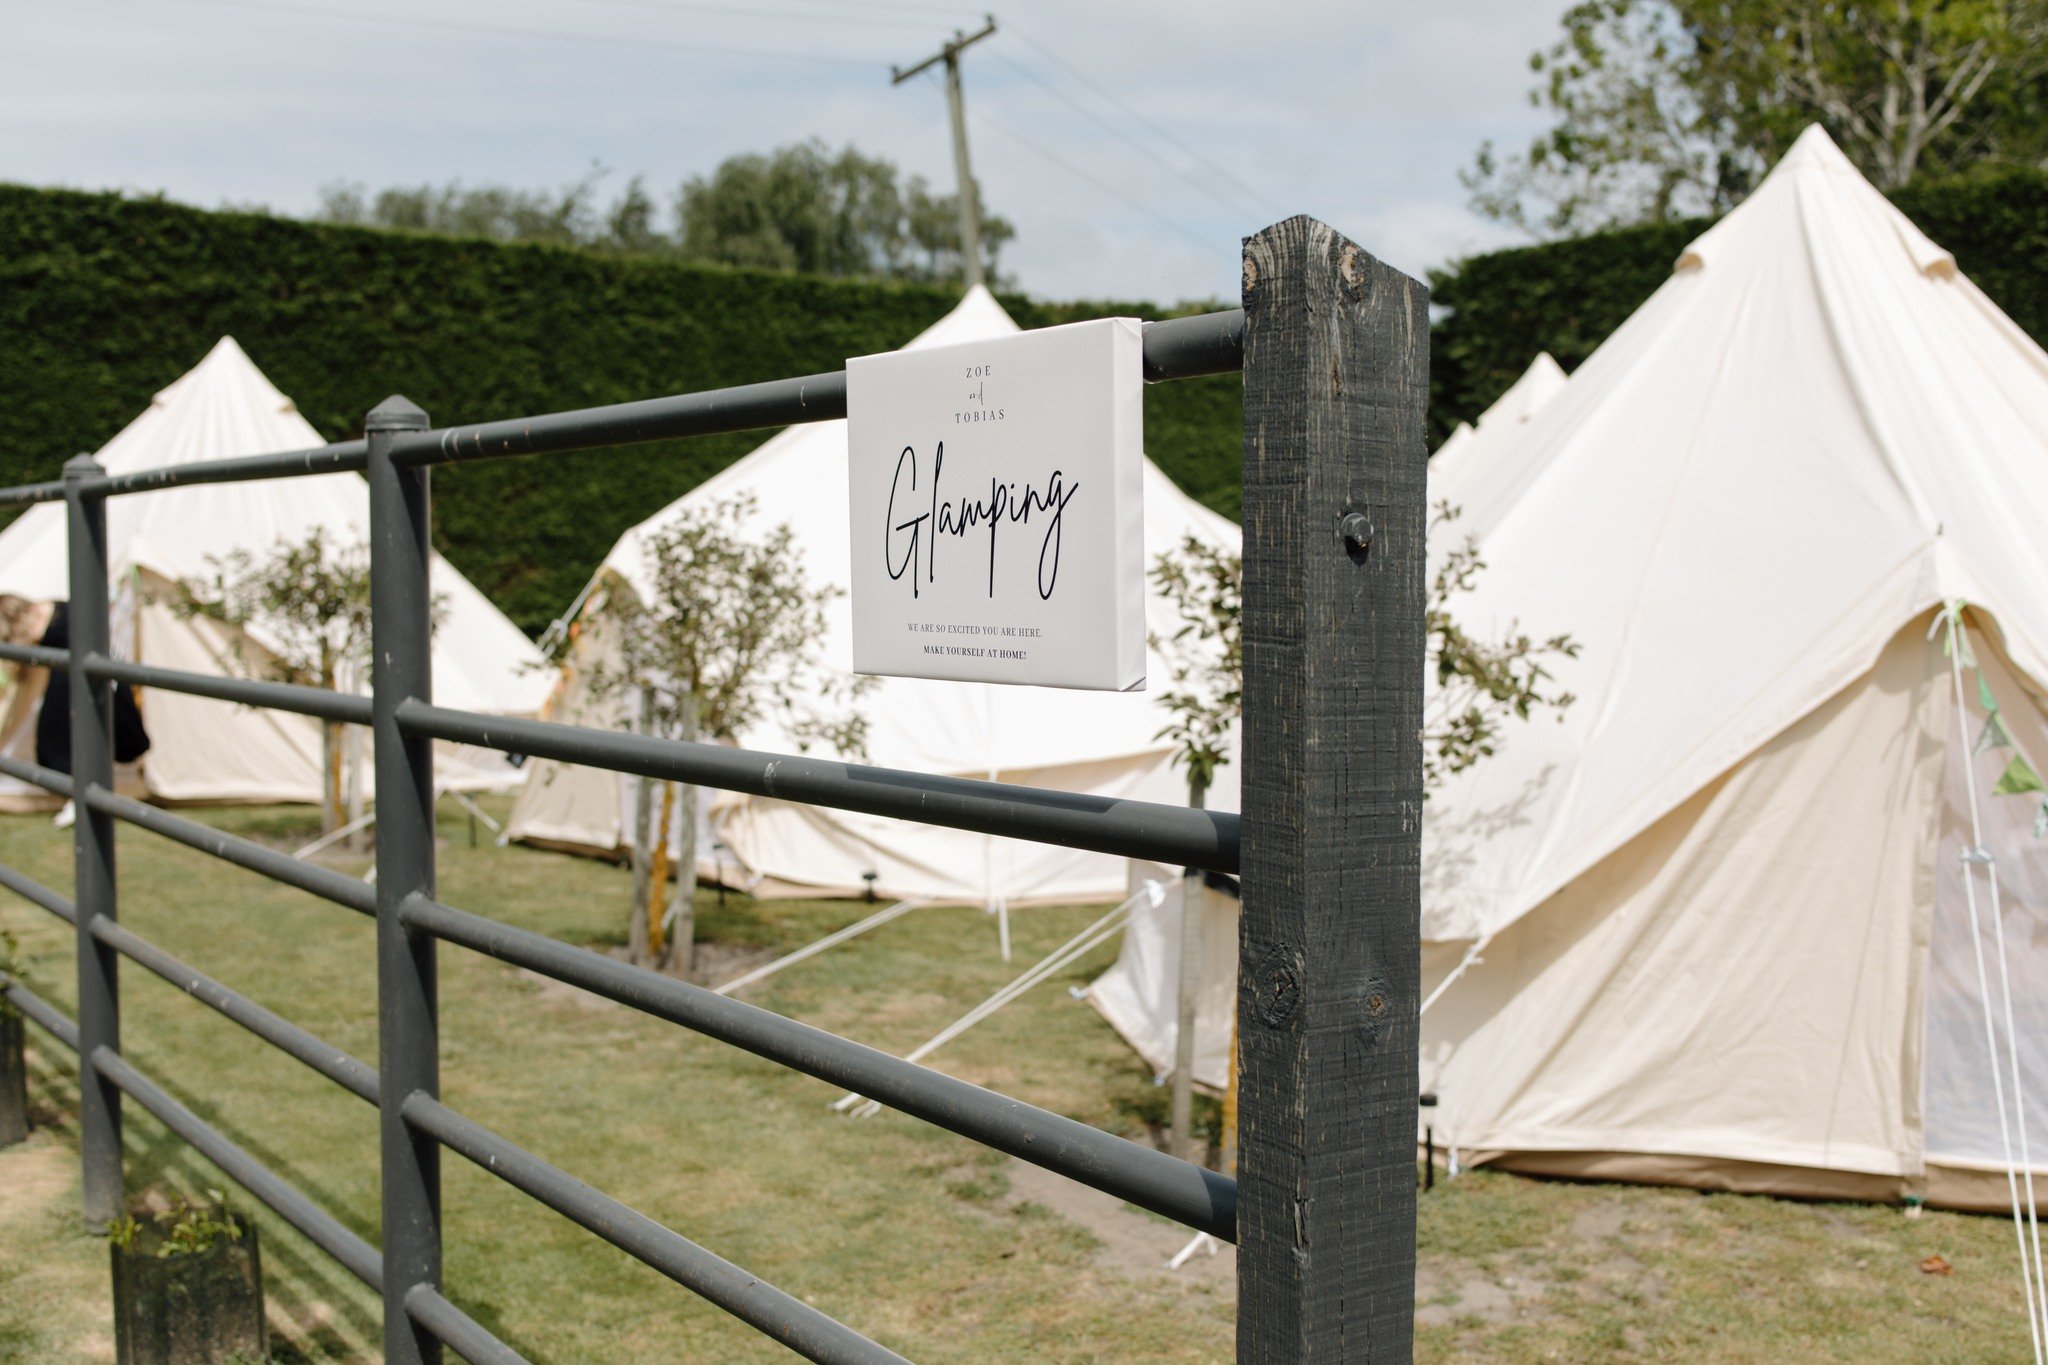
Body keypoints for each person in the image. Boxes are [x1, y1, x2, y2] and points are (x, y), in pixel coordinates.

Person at [27, 602, 151, 826]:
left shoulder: (66, 622)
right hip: (76, 683)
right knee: (71, 738)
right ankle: (82, 796)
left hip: (84, 684)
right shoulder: (65, 622)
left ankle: (84, 796)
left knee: (82, 735)